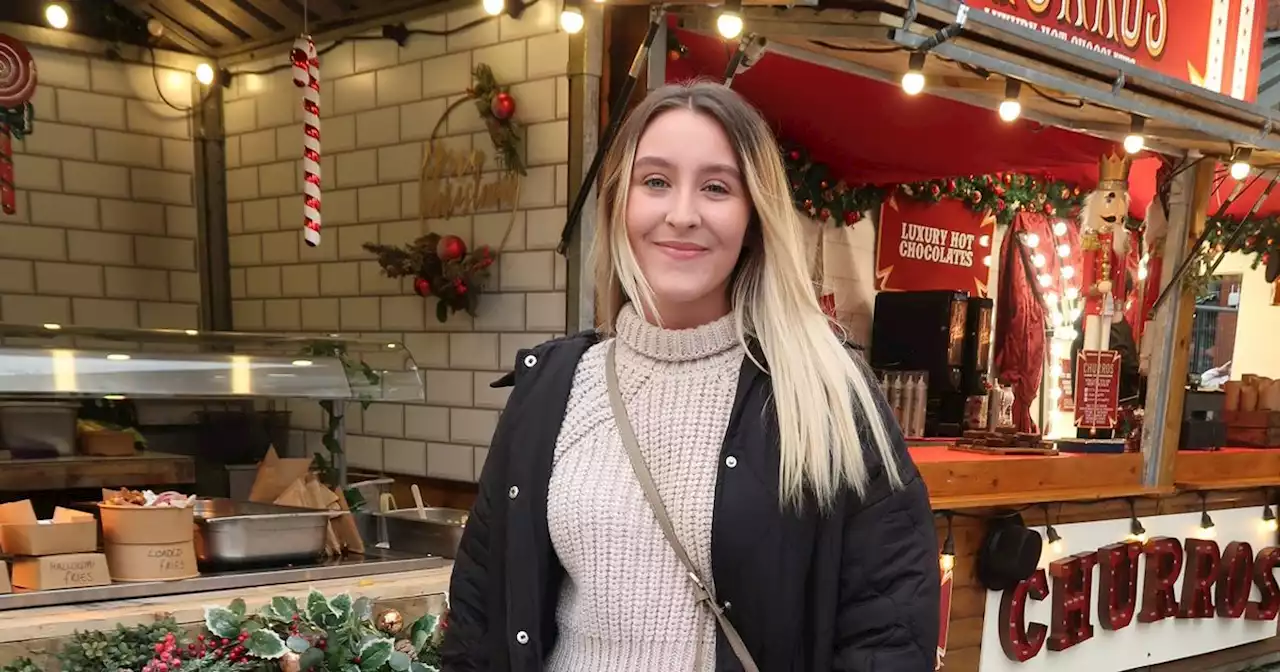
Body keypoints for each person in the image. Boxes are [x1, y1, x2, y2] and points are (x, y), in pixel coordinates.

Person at [440, 81, 940, 672]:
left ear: (754, 217)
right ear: (618, 203)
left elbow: (888, 628)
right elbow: (479, 610)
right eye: (655, 181)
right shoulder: (552, 389)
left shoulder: (825, 390)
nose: (682, 214)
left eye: (716, 188)